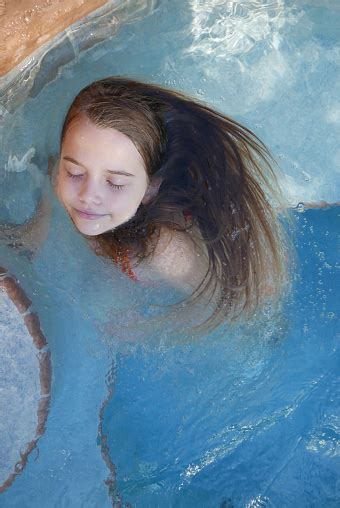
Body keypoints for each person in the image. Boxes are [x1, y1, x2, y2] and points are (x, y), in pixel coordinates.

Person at [2, 77, 288, 328]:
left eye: (114, 183)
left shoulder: (165, 251)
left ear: (151, 188)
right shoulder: (65, 176)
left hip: (252, 288)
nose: (88, 195)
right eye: (75, 172)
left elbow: (218, 304)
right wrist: (40, 222)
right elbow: (51, 166)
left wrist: (143, 328)